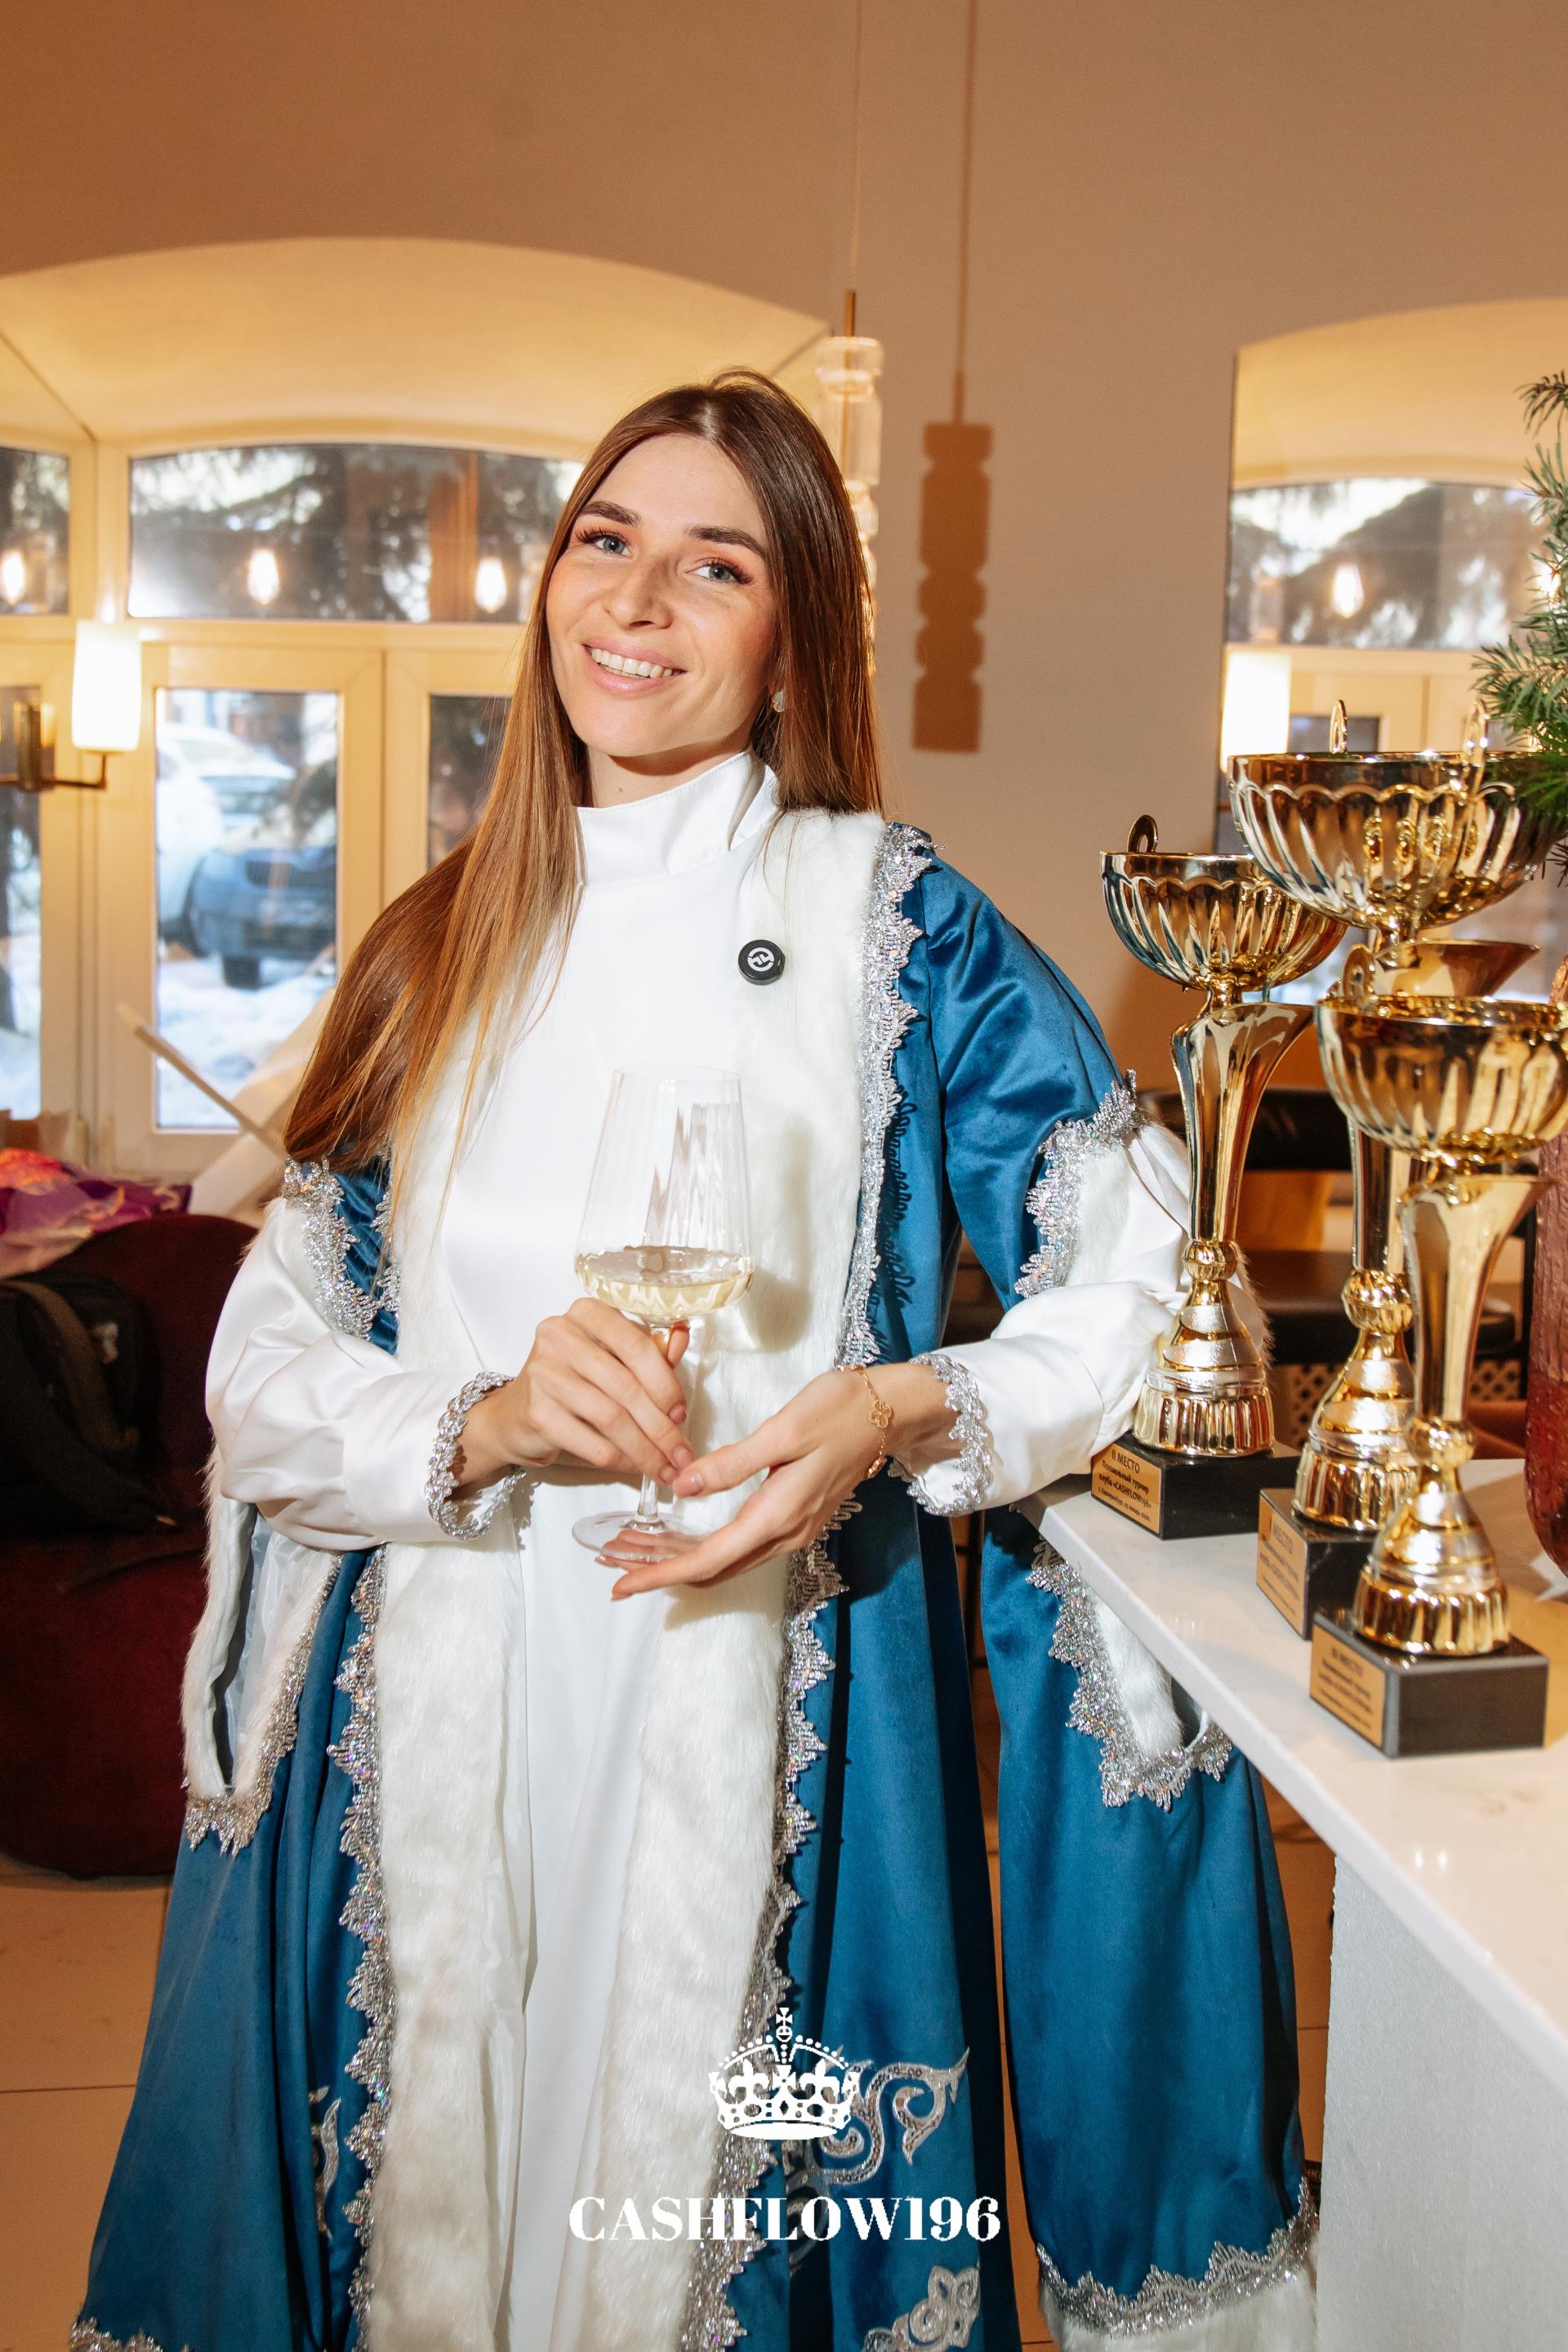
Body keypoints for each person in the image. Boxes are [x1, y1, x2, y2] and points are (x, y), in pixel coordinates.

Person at [77, 372, 1312, 2352]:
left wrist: (903, 1407)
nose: (637, 602)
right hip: (452, 1690)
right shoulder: (431, 948)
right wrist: (484, 1417)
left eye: (716, 564)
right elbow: (270, 1374)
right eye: (605, 541)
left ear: (794, 632)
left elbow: (1160, 1294)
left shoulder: (902, 930)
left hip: (777, 1690)